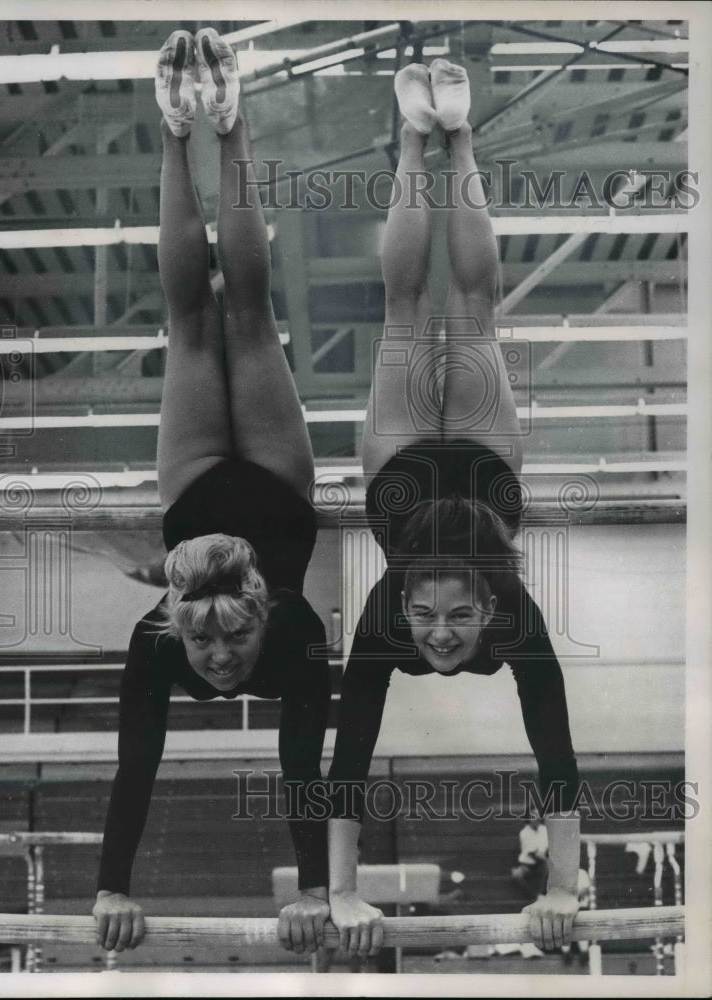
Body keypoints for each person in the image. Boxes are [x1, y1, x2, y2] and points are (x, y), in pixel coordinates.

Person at [326, 60, 581, 960]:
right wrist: (560, 881)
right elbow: (555, 745)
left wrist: (342, 891)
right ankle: (455, 132)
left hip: (401, 478)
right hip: (483, 470)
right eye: (441, 621)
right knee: (471, 310)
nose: (437, 636)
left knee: (405, 308)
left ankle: (416, 138)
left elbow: (347, 755)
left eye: (447, 620)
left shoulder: (386, 616)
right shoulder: (510, 609)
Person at [92, 29, 331, 957]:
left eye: (229, 638)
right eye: (210, 639)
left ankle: (186, 128)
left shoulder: (254, 637)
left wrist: (319, 891)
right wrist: (110, 889)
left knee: (201, 318)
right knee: (243, 312)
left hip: (197, 488)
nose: (223, 657)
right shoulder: (190, 641)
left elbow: (302, 767)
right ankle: (218, 130)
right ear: (173, 622)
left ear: (263, 614)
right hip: (277, 480)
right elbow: (135, 770)